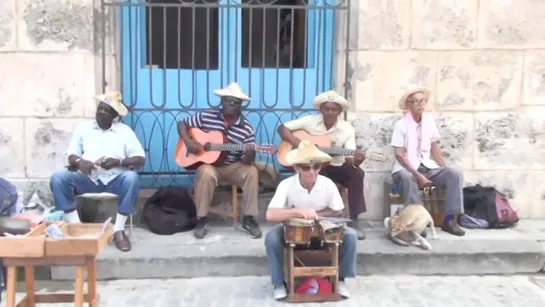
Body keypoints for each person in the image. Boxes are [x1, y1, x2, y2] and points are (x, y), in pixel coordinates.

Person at [50, 91, 145, 252]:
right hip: (88, 180)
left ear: (114, 115)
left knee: (132, 178)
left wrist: (118, 162)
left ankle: (118, 231)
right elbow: (72, 156)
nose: (101, 112)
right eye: (100, 108)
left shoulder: (124, 131)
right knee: (58, 178)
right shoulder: (83, 129)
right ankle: (76, 227)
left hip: (115, 180)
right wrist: (80, 162)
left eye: (106, 110)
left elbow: (140, 159)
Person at [264, 140, 357, 300]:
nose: (312, 172)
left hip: (323, 225)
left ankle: (341, 279)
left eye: (316, 167)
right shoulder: (286, 184)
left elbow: (338, 210)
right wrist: (298, 212)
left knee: (351, 236)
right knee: (271, 238)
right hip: (293, 227)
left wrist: (316, 213)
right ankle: (279, 283)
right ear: (297, 168)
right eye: (306, 167)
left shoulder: (327, 184)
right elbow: (270, 214)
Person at [277, 90, 366, 240]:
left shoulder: (347, 129)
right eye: (327, 108)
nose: (330, 112)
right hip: (312, 167)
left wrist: (356, 161)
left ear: (339, 111)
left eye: (334, 109)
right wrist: (298, 143)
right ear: (321, 109)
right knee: (310, 173)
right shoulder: (310, 121)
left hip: (335, 166)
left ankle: (354, 220)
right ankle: (303, 217)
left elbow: (349, 159)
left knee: (358, 173)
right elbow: (282, 128)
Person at [177, 82, 261, 239]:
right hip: (211, 166)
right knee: (206, 172)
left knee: (252, 171)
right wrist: (188, 141)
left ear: (240, 105)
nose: (231, 104)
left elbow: (247, 160)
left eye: (235, 102)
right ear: (222, 101)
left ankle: (249, 219)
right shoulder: (207, 116)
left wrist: (249, 154)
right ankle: (202, 219)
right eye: (228, 100)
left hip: (233, 166)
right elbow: (182, 123)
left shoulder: (247, 128)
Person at [390, 85, 465, 236]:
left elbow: (434, 147)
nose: (421, 104)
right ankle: (417, 223)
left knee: (453, 174)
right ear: (409, 104)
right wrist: (419, 176)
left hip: (427, 166)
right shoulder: (401, 125)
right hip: (406, 169)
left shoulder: (429, 122)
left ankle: (450, 220)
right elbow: (399, 154)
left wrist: (443, 168)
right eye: (417, 101)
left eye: (423, 101)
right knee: (407, 177)